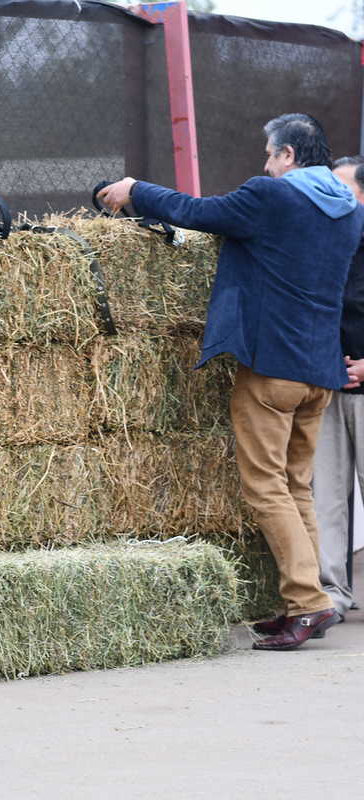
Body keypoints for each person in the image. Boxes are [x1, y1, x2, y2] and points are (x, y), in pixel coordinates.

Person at [98, 112, 364, 651]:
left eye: (270, 154)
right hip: (320, 371)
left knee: (265, 487)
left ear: (288, 155)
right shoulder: (349, 214)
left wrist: (134, 190)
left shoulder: (274, 196)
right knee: (296, 489)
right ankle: (309, 600)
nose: (265, 164)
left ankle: (309, 604)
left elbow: (199, 212)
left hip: (272, 369)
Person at [312, 155, 364, 623]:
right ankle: (331, 594)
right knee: (324, 496)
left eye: (342, 190)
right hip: (326, 390)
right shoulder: (324, 246)